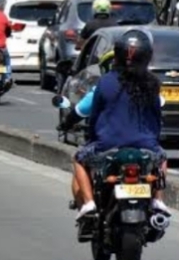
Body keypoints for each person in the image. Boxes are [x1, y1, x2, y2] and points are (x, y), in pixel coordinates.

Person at [70, 29, 170, 219]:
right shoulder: (152, 84)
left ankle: (89, 203)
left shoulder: (106, 82)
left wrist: (95, 138)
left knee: (79, 159)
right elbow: (156, 120)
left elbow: (95, 116)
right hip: (146, 147)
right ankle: (158, 199)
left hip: (108, 147)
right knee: (162, 158)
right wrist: (151, 140)